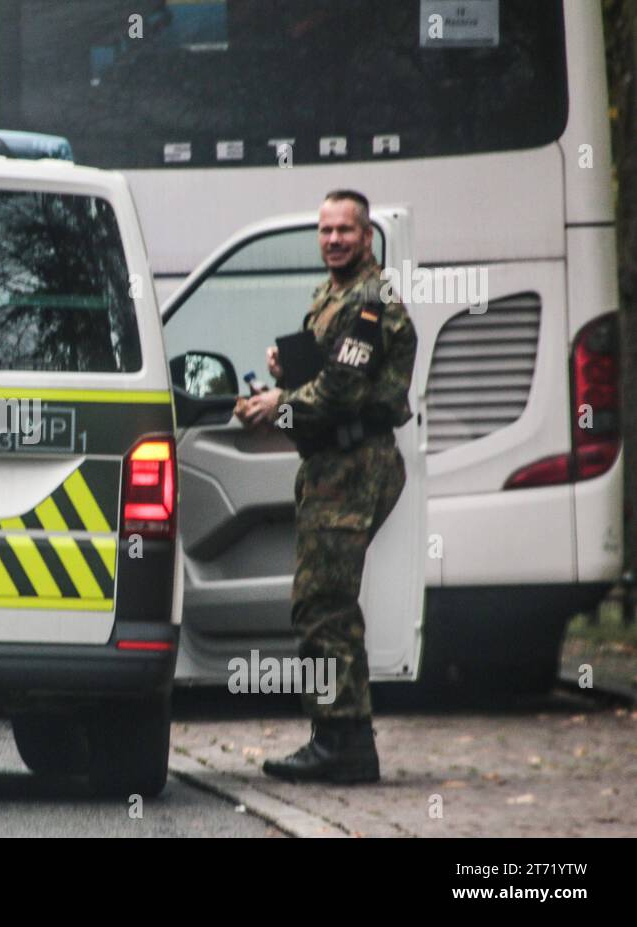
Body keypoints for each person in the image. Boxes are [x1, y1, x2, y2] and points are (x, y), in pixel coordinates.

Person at [236, 189, 417, 784]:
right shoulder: (333, 294)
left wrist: (276, 406)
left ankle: (343, 743)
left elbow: (342, 392)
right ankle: (340, 737)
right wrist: (287, 377)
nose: (333, 239)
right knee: (323, 602)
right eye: (325, 230)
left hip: (353, 463)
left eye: (345, 230)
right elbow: (327, 372)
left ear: (367, 237)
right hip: (331, 464)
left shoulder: (369, 302)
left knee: (324, 605)